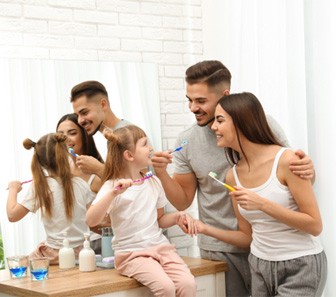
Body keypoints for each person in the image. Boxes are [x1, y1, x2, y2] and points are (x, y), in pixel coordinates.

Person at [151, 60, 316, 297]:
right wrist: (161, 174)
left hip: (270, 247)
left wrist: (308, 169)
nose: (192, 108)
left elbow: (295, 177)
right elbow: (182, 202)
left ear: (225, 95)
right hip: (221, 250)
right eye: (189, 99)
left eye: (200, 101)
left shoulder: (264, 125)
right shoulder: (187, 142)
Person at [190, 92, 326, 296]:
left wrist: (262, 204)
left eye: (220, 120)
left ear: (242, 122)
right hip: (259, 266)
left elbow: (314, 225)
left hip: (300, 265)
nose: (213, 127)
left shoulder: (287, 161)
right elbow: (247, 237)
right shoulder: (232, 176)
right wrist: (203, 229)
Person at [86, 125, 197, 297]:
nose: (151, 148)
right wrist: (113, 193)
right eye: (145, 144)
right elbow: (91, 220)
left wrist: (177, 217)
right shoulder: (112, 186)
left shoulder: (153, 182)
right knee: (166, 287)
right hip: (131, 255)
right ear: (129, 155)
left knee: (187, 284)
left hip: (160, 248)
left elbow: (160, 220)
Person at [6, 133, 96, 264]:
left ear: (39, 162)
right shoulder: (81, 184)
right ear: (65, 155)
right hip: (82, 253)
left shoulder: (41, 187)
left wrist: (13, 189)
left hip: (53, 254)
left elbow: (12, 215)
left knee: (18, 267)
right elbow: (92, 220)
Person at [56, 113, 108, 254]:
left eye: (72, 133)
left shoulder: (95, 175)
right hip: (67, 247)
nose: (66, 138)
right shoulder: (60, 172)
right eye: (60, 134)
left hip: (93, 246)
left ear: (85, 137)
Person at [71, 80, 132, 178]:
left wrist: (98, 169)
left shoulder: (125, 135)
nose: (79, 121)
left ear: (103, 104)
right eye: (77, 115)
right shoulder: (114, 136)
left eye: (84, 112)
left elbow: (138, 184)